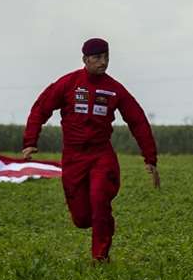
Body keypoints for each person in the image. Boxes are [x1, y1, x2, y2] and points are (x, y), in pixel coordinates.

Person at [22, 38, 159, 262]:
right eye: (97, 58)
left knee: (99, 199)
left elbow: (138, 121)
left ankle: (100, 256)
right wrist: (30, 140)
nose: (103, 62)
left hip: (101, 155)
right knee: (82, 218)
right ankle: (101, 223)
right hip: (74, 157)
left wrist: (150, 157)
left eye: (106, 57)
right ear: (85, 59)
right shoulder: (68, 84)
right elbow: (40, 108)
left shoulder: (114, 90)